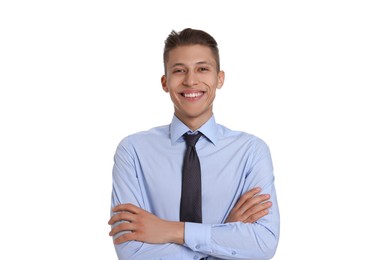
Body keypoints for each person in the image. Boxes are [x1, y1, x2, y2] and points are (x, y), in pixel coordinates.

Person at [108, 28, 280, 260]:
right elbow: (131, 251)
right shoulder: (133, 151)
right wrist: (225, 233)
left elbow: (263, 243)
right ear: (165, 81)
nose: (190, 80)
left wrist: (171, 230)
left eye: (202, 69)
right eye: (179, 71)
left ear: (219, 78)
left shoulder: (251, 152)